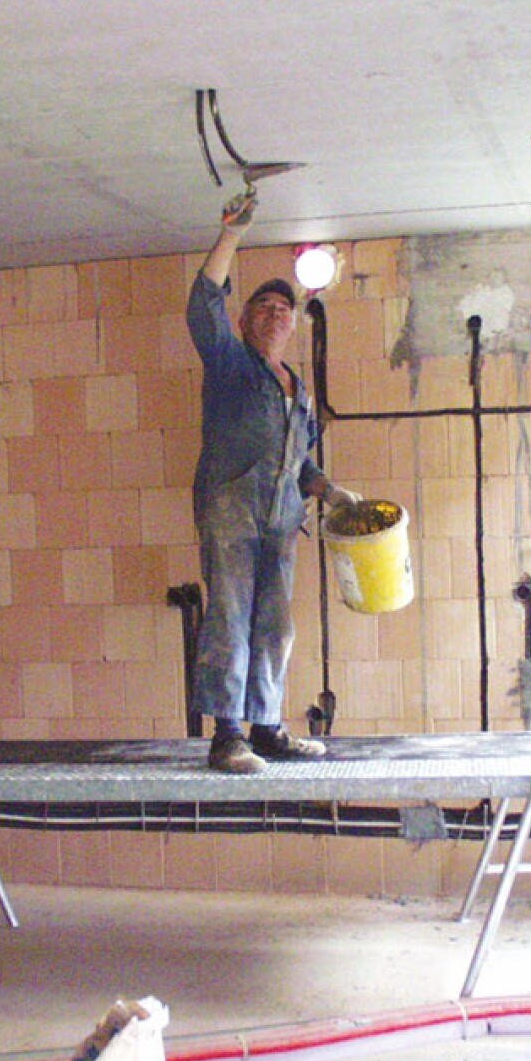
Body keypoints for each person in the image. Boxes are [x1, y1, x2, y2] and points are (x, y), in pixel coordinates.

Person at [186, 189, 360, 774]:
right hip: (232, 511)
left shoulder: (297, 389)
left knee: (274, 626)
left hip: (282, 521)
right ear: (244, 320)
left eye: (284, 309)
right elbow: (202, 304)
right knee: (230, 617)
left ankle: (265, 728)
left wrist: (330, 491)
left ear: (293, 325)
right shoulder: (231, 365)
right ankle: (226, 736)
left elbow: (299, 462)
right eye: (263, 306)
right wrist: (231, 234)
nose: (276, 313)